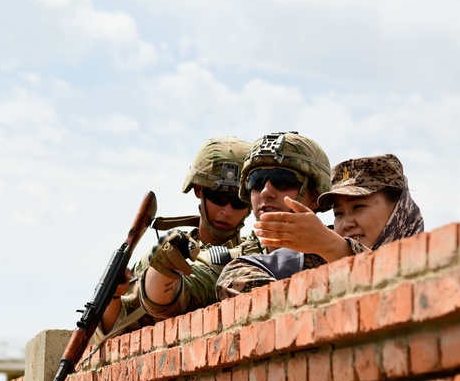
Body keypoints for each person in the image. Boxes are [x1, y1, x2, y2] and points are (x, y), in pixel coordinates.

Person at [141, 131, 332, 318]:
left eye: (283, 181)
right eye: (256, 182)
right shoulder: (235, 263)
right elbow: (168, 301)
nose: (265, 192)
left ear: (315, 195)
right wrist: (164, 268)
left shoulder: (347, 247)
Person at [94, 136, 252, 342]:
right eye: (219, 198)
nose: (227, 210)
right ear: (198, 191)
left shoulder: (257, 256)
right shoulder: (164, 252)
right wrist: (114, 295)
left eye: (238, 201)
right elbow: (115, 334)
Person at [216, 153, 424, 299]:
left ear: (398, 211)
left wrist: (337, 249)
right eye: (338, 214)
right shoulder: (319, 257)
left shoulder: (431, 259)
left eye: (358, 207)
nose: (347, 223)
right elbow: (232, 277)